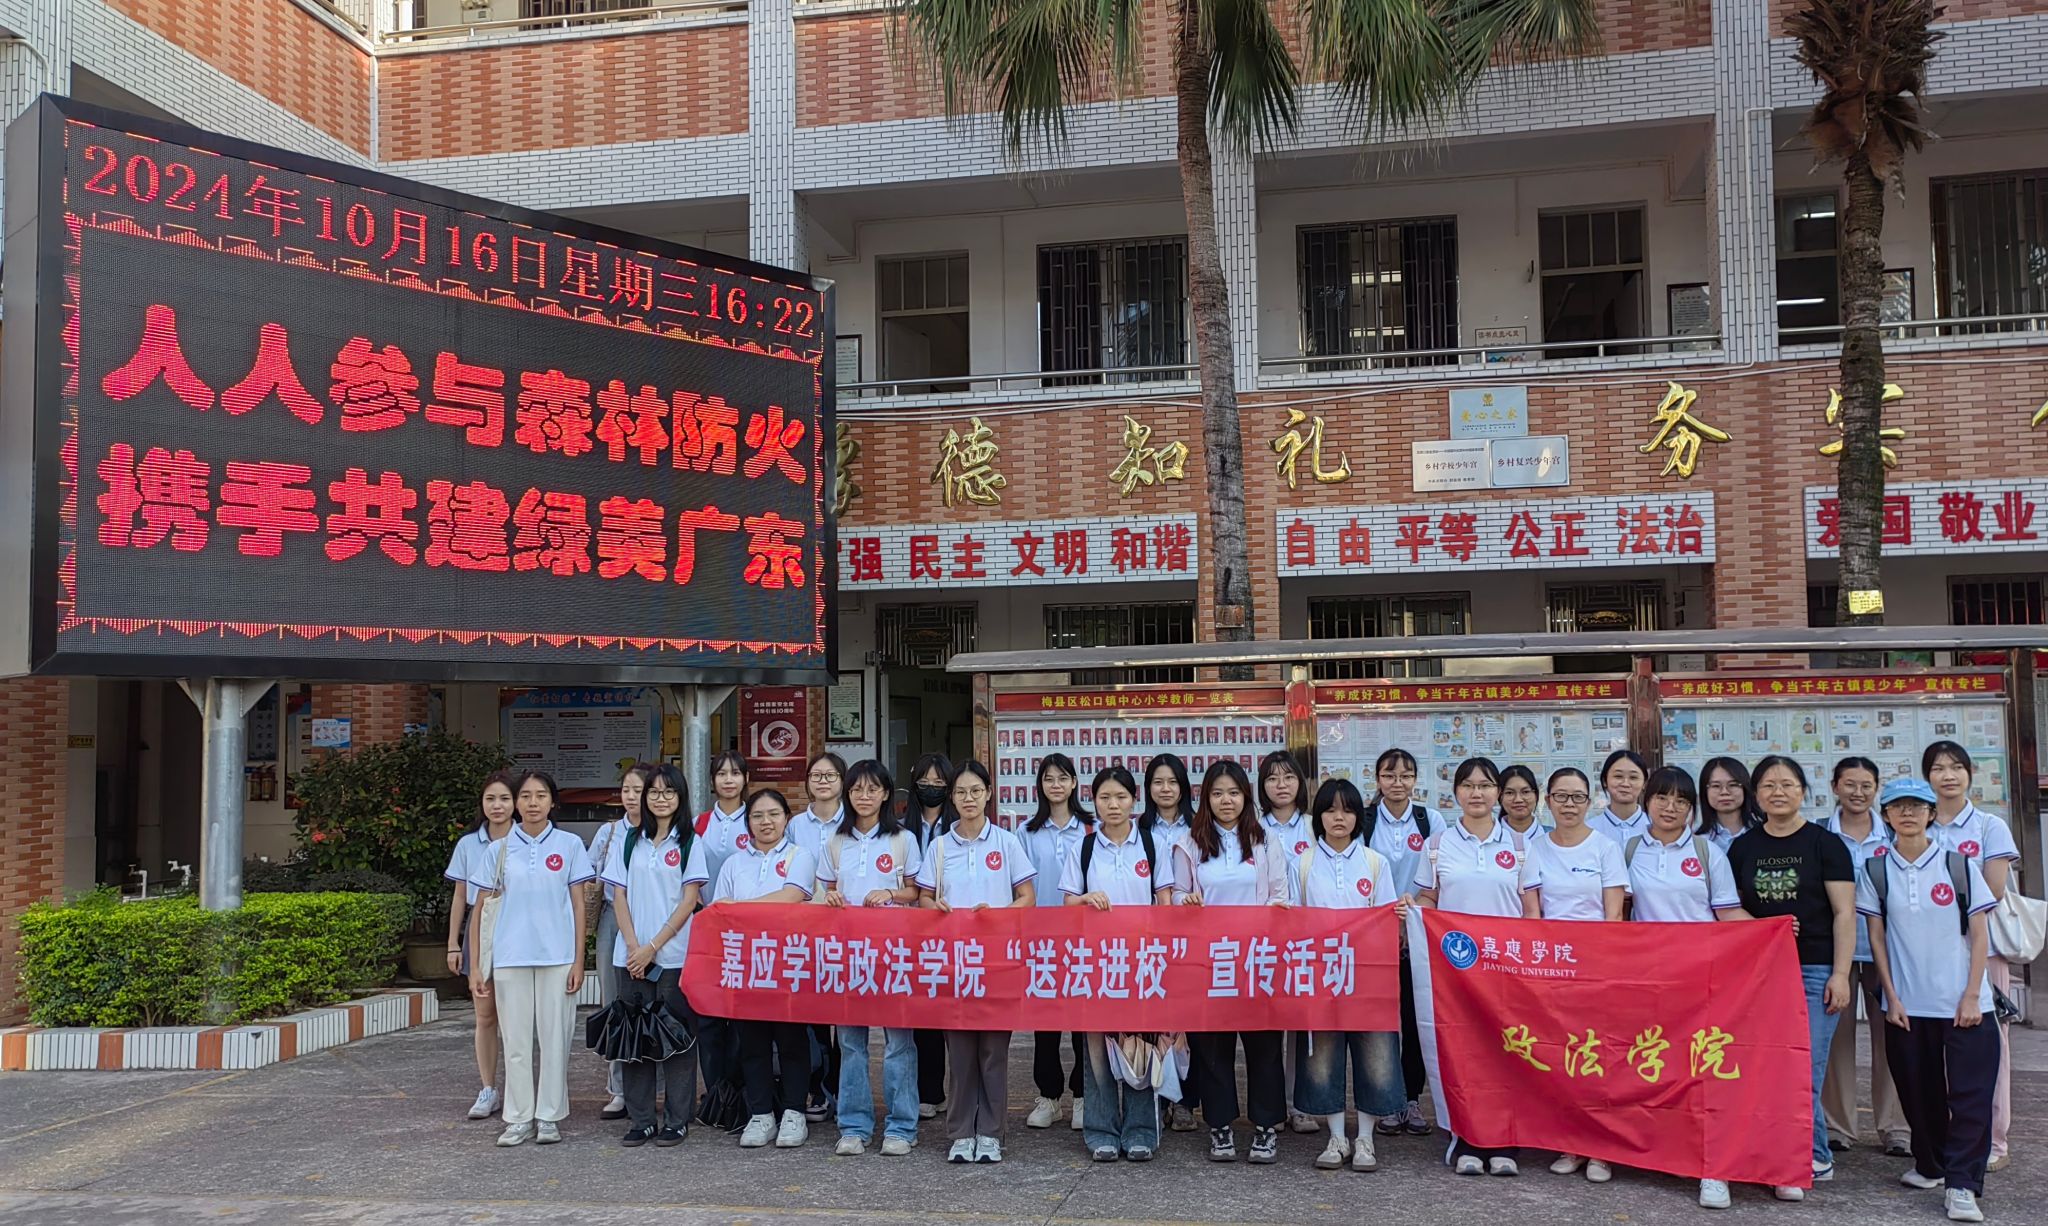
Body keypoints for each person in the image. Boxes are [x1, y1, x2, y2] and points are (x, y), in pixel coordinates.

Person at [1860, 776, 1999, 1225]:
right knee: (1919, 1093)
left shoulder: (1959, 865)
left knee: (1970, 1097)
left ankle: (1962, 1184)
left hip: (1964, 1005)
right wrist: (1890, 996)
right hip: (1907, 1006)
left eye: (1917, 807)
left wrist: (1972, 995)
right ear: (1886, 816)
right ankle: (1931, 1165)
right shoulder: (1876, 871)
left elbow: (1979, 934)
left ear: (1931, 814)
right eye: (1898, 807)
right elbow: (1877, 938)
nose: (1908, 814)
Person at [1620, 766, 1752, 1209]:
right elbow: (1615, 914)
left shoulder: (1707, 852)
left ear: (1692, 808)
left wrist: (1772, 932)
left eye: (1680, 800)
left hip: (1700, 982)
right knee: (1651, 1068)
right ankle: (1654, 1152)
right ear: (1647, 802)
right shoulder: (1628, 850)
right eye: (1661, 798)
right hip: (1646, 982)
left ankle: (1712, 1168)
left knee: (1703, 1074)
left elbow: (1728, 914)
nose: (1670, 807)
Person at [1726, 755, 1856, 1195]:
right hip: (1760, 974)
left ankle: (1810, 1155)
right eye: (1767, 785)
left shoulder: (1826, 844)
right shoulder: (1742, 848)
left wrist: (1841, 974)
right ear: (1755, 795)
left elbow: (1844, 913)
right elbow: (1729, 909)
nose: (1777, 792)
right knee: (1768, 1066)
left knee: (1805, 1065)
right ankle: (1798, 1153)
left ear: (1803, 790)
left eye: (1787, 784)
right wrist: (1765, 929)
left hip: (1815, 969)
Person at [1411, 756, 1540, 1176]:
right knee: (1464, 1054)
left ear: (1497, 793)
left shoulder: (1519, 846)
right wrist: (1414, 910)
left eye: (1485, 785)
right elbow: (1429, 899)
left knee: (1507, 1052)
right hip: (1457, 971)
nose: (1477, 793)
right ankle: (1467, 1138)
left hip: (1507, 970)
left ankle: (1505, 1142)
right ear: (1456, 793)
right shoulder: (1437, 845)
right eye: (1468, 785)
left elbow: (1531, 911)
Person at [1172, 760, 1290, 1164]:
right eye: (1218, 793)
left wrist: (1270, 916)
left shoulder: (1265, 840)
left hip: (1257, 959)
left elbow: (1280, 894)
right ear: (1206, 797)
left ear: (1246, 796)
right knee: (1212, 1047)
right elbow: (1176, 894)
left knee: (1264, 1046)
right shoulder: (1189, 843)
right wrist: (1185, 900)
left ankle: (1266, 1127)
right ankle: (1219, 1126)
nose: (1227, 800)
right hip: (1210, 962)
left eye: (1234, 792)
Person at [467, 769, 593, 1147]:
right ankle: (518, 1117)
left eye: (540, 796)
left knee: (555, 1041)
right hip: (510, 957)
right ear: (516, 803)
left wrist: (578, 960)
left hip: (558, 956)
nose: (533, 803)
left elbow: (579, 905)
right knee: (517, 1042)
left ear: (553, 802)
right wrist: (477, 966)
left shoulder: (570, 845)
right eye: (525, 796)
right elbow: (480, 910)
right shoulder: (498, 850)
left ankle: (549, 1116)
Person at [918, 759, 1035, 1164]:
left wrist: (1000, 915)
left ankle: (991, 1132)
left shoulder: (1007, 842)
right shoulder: (939, 847)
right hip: (954, 963)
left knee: (994, 1052)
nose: (969, 798)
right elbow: (925, 897)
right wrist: (936, 907)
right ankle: (960, 1132)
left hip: (997, 962)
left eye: (976, 791)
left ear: (988, 794)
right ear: (952, 797)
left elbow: (1027, 897)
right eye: (961, 792)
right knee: (960, 1052)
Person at [1063, 764, 1176, 1162]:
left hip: (1142, 963)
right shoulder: (1084, 847)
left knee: (1140, 1046)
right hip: (1095, 964)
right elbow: (1068, 902)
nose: (1113, 805)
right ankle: (1102, 1132)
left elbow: (1165, 902)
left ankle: (1141, 1130)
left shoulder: (1151, 845)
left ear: (1134, 800)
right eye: (1105, 797)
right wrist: (1084, 899)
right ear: (1093, 802)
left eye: (1121, 797)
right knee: (1097, 1049)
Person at [1293, 777, 1404, 1172]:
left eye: (1347, 810)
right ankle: (1337, 1137)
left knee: (1375, 1055)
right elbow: (1294, 922)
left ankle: (1366, 1138)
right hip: (1321, 975)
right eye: (1329, 809)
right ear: (1318, 816)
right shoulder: (1303, 863)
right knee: (1323, 1056)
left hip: (1368, 977)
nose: (1338, 818)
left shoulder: (1375, 862)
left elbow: (1386, 920)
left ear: (1358, 816)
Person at [1923, 741, 2020, 1173]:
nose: (1948, 775)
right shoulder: (1919, 824)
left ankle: (1994, 1140)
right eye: (1938, 768)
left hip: (1982, 949)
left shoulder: (1988, 826)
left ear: (1969, 774)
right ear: (1927, 777)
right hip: (1927, 953)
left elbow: (1993, 890)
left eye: (1956, 767)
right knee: (1937, 1045)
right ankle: (1950, 1136)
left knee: (1989, 1047)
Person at [817, 758, 923, 1157]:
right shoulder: (835, 841)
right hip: (848, 954)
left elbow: (917, 892)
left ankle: (902, 1126)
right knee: (850, 1042)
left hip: (894, 954)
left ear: (885, 794)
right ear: (847, 794)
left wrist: (891, 894)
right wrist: (829, 898)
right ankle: (854, 1125)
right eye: (857, 789)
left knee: (898, 1043)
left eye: (873, 789)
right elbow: (824, 892)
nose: (864, 796)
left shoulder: (903, 839)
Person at [601, 763, 709, 1148]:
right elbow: (619, 896)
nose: (660, 799)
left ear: (680, 797)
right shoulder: (629, 840)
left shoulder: (690, 842)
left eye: (669, 792)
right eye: (654, 792)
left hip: (675, 957)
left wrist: (653, 947)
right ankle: (642, 1119)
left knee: (678, 1039)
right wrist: (634, 947)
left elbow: (689, 901)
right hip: (630, 958)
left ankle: (677, 1119)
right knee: (635, 1040)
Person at [1529, 766, 1626, 1184]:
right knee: (1562, 1058)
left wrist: (1600, 967)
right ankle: (1569, 1142)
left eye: (1578, 797)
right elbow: (1533, 914)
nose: (1569, 805)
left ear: (1590, 802)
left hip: (1596, 967)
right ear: (1547, 801)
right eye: (1561, 797)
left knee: (1599, 1058)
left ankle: (1601, 1149)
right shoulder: (1534, 848)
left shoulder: (1605, 848)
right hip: (1553, 968)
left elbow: (1614, 915)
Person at [710, 787, 818, 1150]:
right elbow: (719, 911)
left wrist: (740, 907)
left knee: (791, 1041)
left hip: (788, 961)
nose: (765, 822)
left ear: (786, 818)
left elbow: (791, 896)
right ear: (748, 822)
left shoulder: (800, 856)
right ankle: (761, 1114)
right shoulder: (734, 863)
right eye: (757, 815)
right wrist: (735, 911)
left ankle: (794, 1111)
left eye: (773, 814)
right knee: (752, 1042)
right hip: (746, 964)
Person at [1822, 756, 1908, 1156]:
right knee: (1836, 1040)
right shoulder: (1820, 835)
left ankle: (1897, 1127)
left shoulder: (1895, 835)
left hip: (1888, 951)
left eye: (1866, 786)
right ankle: (1838, 1126)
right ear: (1835, 787)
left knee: (1893, 1037)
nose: (1858, 793)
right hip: (1834, 953)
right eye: (1850, 784)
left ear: (1877, 789)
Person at [1365, 747, 1436, 1140]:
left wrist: (1412, 922)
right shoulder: (1365, 819)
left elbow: (1435, 880)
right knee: (1381, 1023)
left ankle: (1411, 1099)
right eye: (1389, 775)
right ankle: (1387, 1101)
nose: (1398, 783)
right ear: (1377, 779)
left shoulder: (1430, 819)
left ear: (1415, 780)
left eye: (1406, 775)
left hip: (1417, 934)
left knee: (1414, 1018)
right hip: (1371, 936)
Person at [1021, 752, 1091, 1133]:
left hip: (1083, 939)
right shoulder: (1026, 832)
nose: (1056, 785)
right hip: (1040, 939)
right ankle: (1049, 1097)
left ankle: (1082, 1096)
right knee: (1045, 1022)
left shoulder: (1091, 828)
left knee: (1082, 1020)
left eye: (1063, 778)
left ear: (1074, 783)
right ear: (1040, 785)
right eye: (1049, 779)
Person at [1257, 749, 1322, 1136]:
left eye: (1288, 777)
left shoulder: (1316, 825)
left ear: (1301, 783)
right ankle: (1272, 1105)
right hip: (1262, 941)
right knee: (1266, 1025)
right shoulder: (1252, 827)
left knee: (1302, 1025)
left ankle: (1301, 1104)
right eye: (1272, 778)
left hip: (1306, 938)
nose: (1280, 785)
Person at [444, 770, 515, 1122]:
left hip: (516, 928)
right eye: (490, 799)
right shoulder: (468, 844)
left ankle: (519, 1090)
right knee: (485, 1016)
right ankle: (488, 1088)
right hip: (481, 928)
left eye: (504, 798)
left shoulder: (526, 841)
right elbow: (461, 896)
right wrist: (453, 944)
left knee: (517, 1017)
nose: (497, 805)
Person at [1141, 749, 1199, 1132]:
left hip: (1191, 937)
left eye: (1172, 782)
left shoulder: (1200, 828)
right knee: (1154, 1020)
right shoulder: (1137, 830)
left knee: (1190, 1020)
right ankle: (1157, 1097)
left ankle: (1188, 1102)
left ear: (1183, 787)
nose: (1165, 789)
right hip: (1147, 938)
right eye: (1158, 782)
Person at [590, 763, 651, 1121]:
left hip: (651, 919)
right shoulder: (609, 832)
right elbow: (590, 875)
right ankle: (618, 1089)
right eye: (626, 790)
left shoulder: (663, 832)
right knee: (614, 1002)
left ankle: (653, 1087)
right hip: (613, 918)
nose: (631, 797)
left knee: (651, 1002)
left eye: (638, 790)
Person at [790, 751, 847, 1121]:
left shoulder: (854, 820)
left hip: (845, 928)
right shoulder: (795, 825)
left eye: (830, 775)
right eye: (816, 775)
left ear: (842, 781)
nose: (823, 781)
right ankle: (817, 1090)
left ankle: (841, 1089)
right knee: (811, 1015)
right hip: (804, 928)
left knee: (845, 1015)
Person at [898, 751, 954, 1120]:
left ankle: (958, 1090)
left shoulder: (959, 825)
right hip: (910, 931)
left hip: (953, 928)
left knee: (954, 1012)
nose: (931, 789)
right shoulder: (901, 827)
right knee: (922, 1012)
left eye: (938, 783)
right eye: (924, 783)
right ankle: (928, 1091)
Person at [695, 750, 753, 886]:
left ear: (746, 778)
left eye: (735, 773)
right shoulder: (698, 823)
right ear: (712, 780)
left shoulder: (755, 823)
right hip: (703, 900)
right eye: (721, 774)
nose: (728, 780)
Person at [1698, 756, 1763, 853]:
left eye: (1733, 785)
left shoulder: (1764, 833)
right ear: (1705, 791)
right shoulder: (1697, 840)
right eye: (1716, 786)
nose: (1724, 792)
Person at [1590, 749, 1650, 847]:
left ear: (1644, 784)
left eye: (1633, 777)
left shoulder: (1655, 826)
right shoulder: (1589, 829)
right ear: (1605, 781)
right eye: (1618, 776)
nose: (1625, 784)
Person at [1498, 765, 1547, 837]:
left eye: (1525, 792)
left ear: (1536, 795)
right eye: (1510, 793)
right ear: (1500, 797)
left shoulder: (1553, 837)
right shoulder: (1488, 837)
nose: (1518, 799)